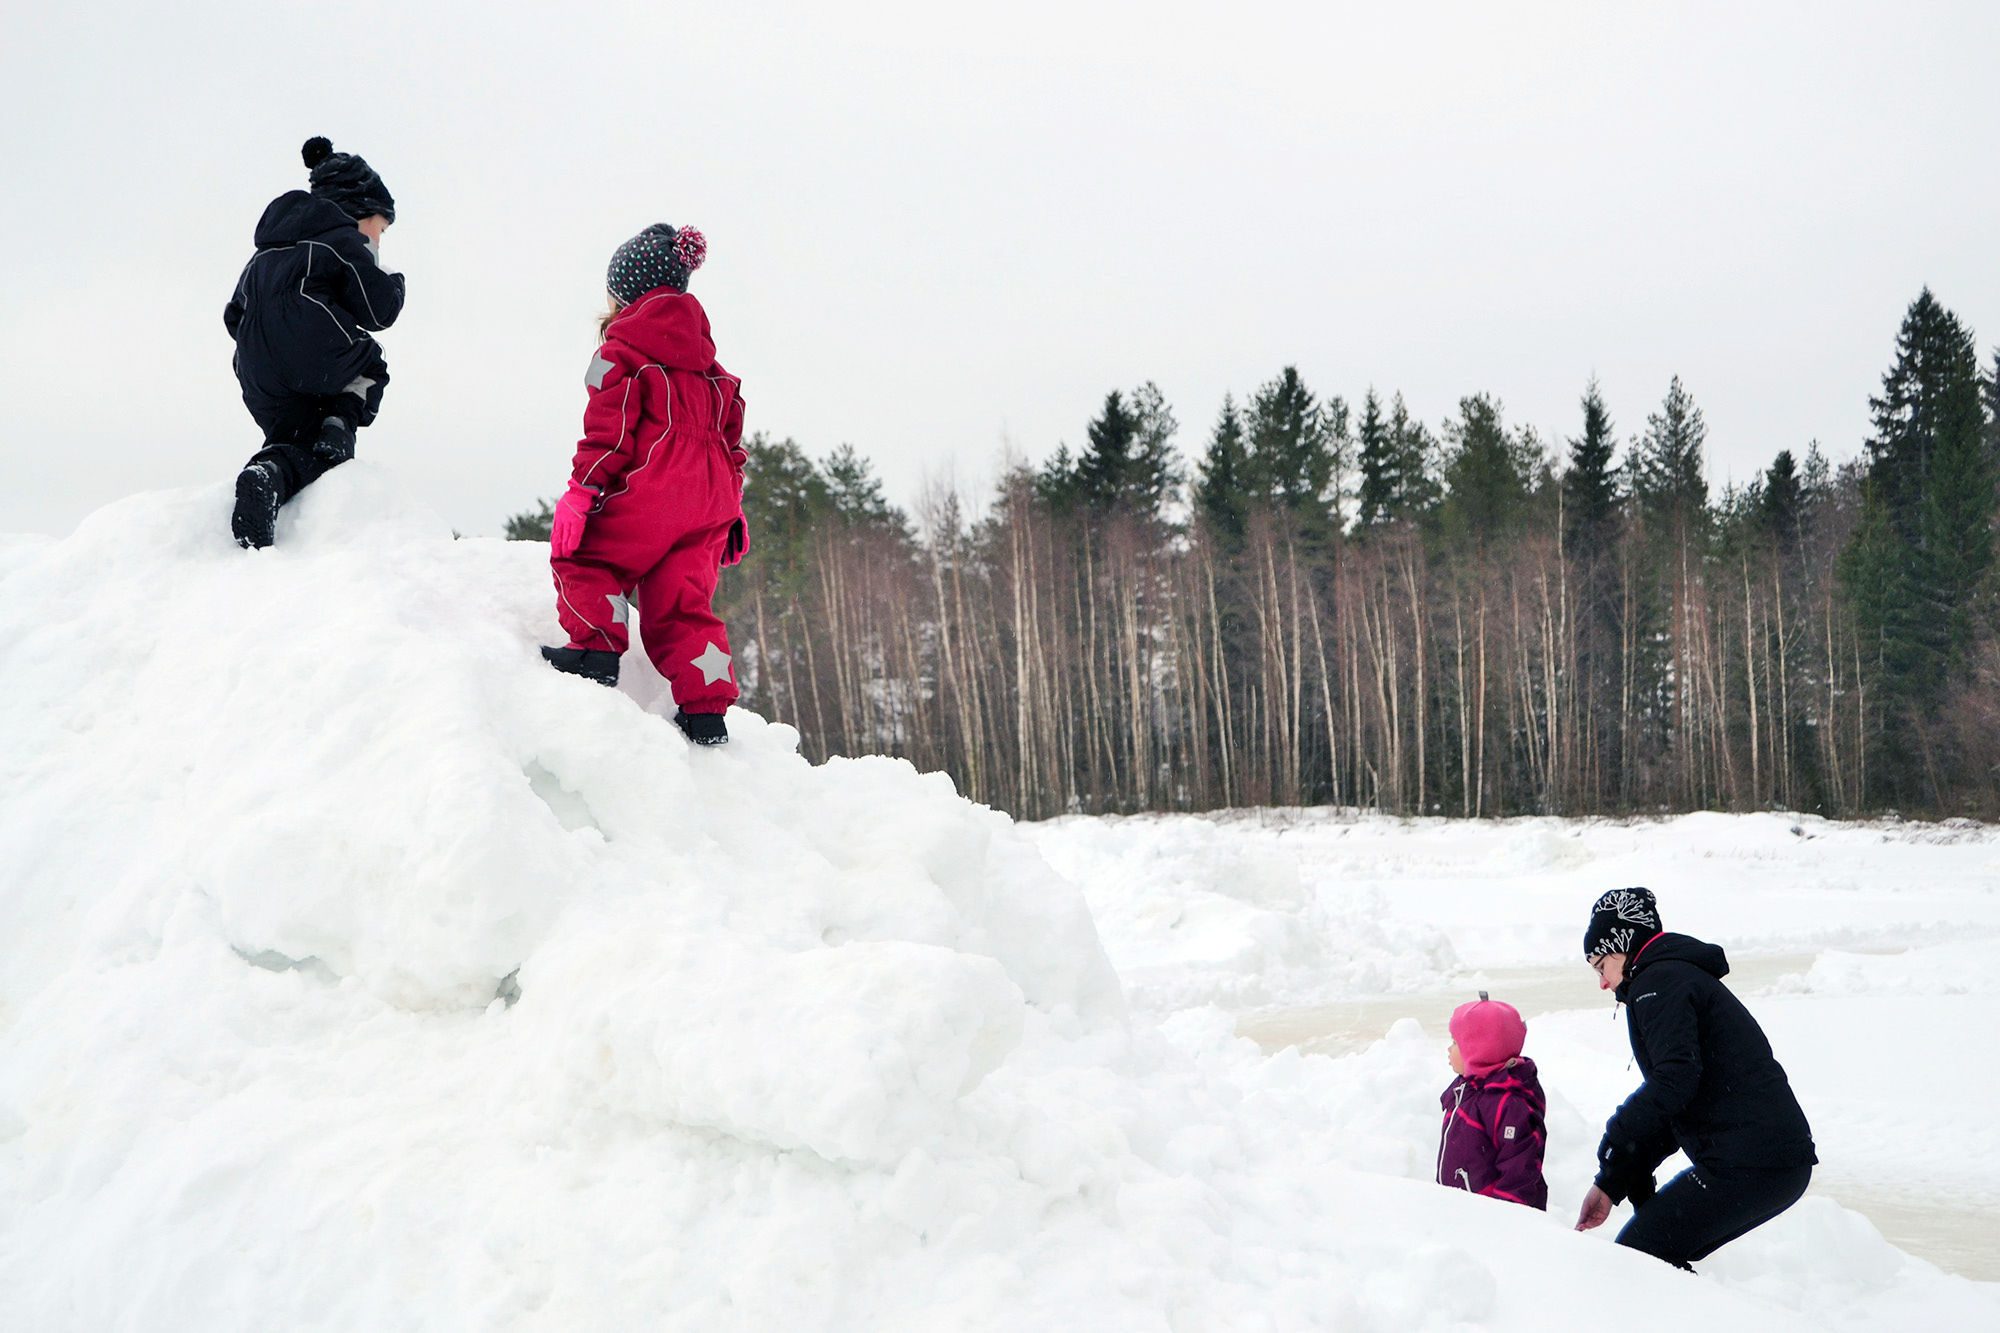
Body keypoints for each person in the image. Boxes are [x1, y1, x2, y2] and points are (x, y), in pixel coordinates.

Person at [540, 223, 747, 746]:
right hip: (711, 501)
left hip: (652, 490)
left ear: (623, 297)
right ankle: (705, 710)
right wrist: (733, 509)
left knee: (585, 557)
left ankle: (595, 649)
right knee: (683, 603)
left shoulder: (619, 355)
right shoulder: (712, 369)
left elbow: (609, 433)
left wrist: (582, 491)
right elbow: (731, 441)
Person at [1573, 887, 1817, 1270]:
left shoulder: (1658, 984)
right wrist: (1614, 1180)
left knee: (1639, 1254)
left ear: (1623, 946)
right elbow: (1676, 1102)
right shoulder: (1669, 978)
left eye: (1600, 966)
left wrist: (1616, 1139)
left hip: (1753, 1162)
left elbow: (1674, 1082)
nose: (1603, 982)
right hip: (1769, 1162)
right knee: (1650, 1252)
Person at [224, 137, 405, 549]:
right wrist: (393, 281)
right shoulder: (340, 239)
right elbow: (378, 311)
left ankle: (270, 474)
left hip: (257, 371)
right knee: (370, 363)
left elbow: (234, 315)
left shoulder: (264, 253)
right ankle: (338, 426)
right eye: (380, 229)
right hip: (314, 349)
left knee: (297, 440)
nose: (378, 241)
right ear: (358, 212)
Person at [1436, 992, 1548, 1209]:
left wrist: (1500, 1219)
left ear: (1479, 1049)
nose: (1449, 1049)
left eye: (1456, 1042)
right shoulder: (1467, 1088)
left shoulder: (1509, 1104)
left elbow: (1519, 1173)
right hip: (1463, 1211)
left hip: (1492, 1218)